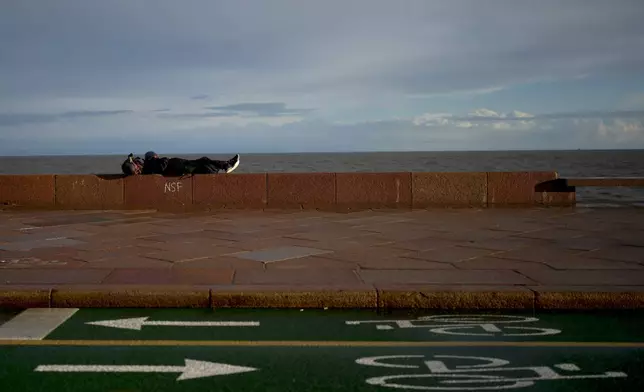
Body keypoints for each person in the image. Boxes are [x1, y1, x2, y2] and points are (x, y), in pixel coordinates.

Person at [121, 151, 239, 176]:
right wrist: (165, 159)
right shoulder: (150, 164)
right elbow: (162, 166)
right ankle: (226, 165)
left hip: (180, 166)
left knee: (203, 162)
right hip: (181, 167)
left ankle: (225, 165)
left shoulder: (148, 166)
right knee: (203, 161)